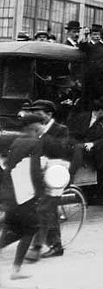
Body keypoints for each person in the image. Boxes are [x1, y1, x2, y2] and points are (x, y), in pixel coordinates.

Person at [0, 114, 49, 281]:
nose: (44, 126)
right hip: (24, 195)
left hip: (10, 194)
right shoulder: (35, 143)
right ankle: (16, 270)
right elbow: (35, 172)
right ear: (34, 127)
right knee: (31, 228)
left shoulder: (16, 142)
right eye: (42, 124)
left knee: (13, 229)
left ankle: (16, 269)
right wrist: (41, 192)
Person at [23, 100, 69, 262]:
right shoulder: (35, 128)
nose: (35, 115)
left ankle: (45, 246)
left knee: (45, 209)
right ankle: (50, 244)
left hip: (54, 174)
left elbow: (60, 150)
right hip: (38, 173)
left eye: (39, 112)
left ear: (49, 114)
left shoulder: (60, 130)